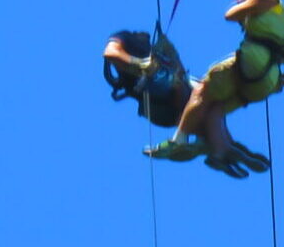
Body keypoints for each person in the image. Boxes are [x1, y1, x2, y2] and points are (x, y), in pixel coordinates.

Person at [146, 0, 284, 174]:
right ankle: (222, 151)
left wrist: (242, 6)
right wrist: (277, 85)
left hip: (251, 61)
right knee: (215, 106)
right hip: (264, 81)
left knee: (202, 90)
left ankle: (179, 140)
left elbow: (229, 14)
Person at [103, 27, 270, 177]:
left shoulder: (156, 51)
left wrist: (172, 55)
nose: (145, 34)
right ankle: (204, 143)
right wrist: (139, 64)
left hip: (177, 102)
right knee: (180, 86)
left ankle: (221, 149)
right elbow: (110, 53)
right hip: (156, 101)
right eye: (140, 33)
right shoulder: (125, 37)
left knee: (213, 101)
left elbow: (180, 71)